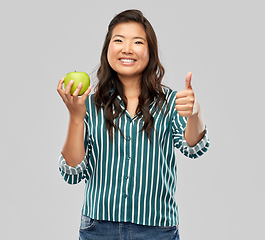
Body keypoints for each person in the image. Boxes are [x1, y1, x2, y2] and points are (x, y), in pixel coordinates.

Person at [57, 9, 210, 240]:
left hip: (157, 229)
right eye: (118, 40)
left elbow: (192, 147)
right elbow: (72, 172)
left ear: (150, 52)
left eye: (137, 42)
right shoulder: (90, 103)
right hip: (99, 229)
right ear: (107, 49)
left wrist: (195, 113)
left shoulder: (168, 102)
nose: (127, 48)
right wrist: (76, 116)